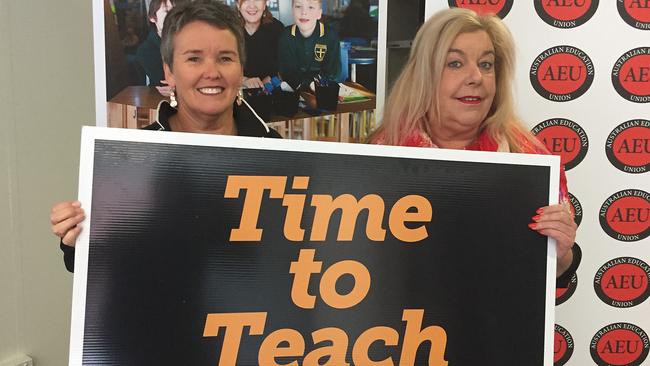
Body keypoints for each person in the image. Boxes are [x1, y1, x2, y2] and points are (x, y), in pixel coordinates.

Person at [51, 0, 281, 272]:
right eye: (194, 58)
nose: (212, 72)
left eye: (225, 58)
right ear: (169, 72)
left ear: (241, 69)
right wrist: (77, 234)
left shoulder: (275, 150)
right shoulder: (133, 160)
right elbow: (98, 269)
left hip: (251, 310)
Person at [369, 8, 580, 287]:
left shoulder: (528, 157)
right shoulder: (381, 152)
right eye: (455, 64)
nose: (476, 77)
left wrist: (561, 254)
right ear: (424, 75)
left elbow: (552, 276)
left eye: (486, 64)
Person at [277, 0, 341, 91]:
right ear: (292, 11)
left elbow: (333, 72)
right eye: (298, 6)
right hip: (295, 90)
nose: (304, 12)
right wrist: (304, 85)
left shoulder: (331, 35)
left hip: (323, 90)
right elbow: (286, 71)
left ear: (319, 14)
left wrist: (314, 85)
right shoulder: (285, 36)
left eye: (310, 7)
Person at [236, 0, 284, 89]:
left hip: (270, 93)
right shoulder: (227, 30)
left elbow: (284, 66)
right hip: (237, 94)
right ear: (238, 4)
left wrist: (271, 77)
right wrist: (243, 80)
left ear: (265, 4)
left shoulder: (277, 29)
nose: (252, 6)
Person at [135, 0, 173, 88]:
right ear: (152, 17)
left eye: (176, 12)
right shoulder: (146, 51)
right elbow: (165, 83)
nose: (173, 17)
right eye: (167, 11)